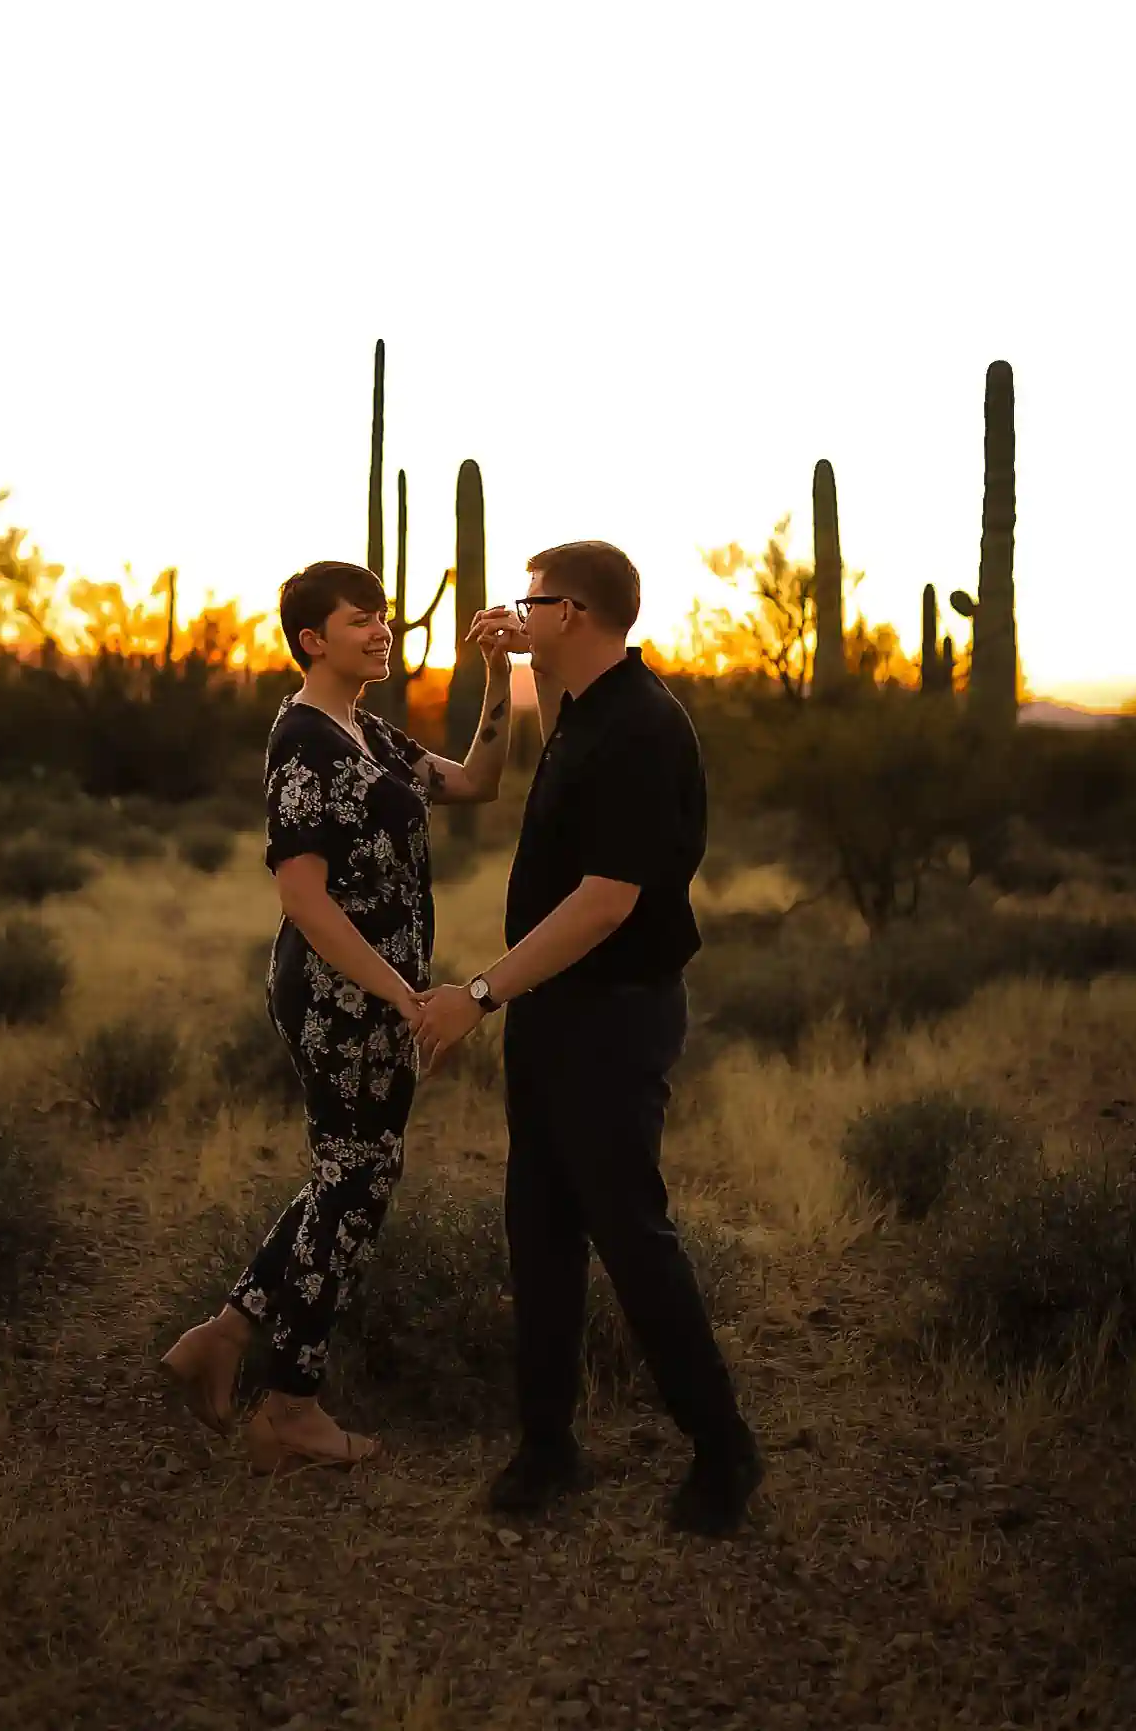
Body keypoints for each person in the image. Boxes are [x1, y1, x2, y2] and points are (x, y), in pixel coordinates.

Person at [417, 541, 764, 1536]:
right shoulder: (583, 711)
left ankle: (723, 1446)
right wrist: (497, 667)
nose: (516, 614)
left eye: (530, 602)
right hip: (555, 1012)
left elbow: (607, 903)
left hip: (614, 1013)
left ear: (570, 611)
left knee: (630, 1231)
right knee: (540, 1223)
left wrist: (478, 992)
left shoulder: (643, 729)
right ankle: (547, 1443)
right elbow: (497, 775)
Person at [161, 559, 514, 1470]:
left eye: (385, 617)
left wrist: (501, 678)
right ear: (314, 639)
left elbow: (477, 783)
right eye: (363, 620)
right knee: (358, 1179)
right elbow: (303, 898)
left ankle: (226, 1338)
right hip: (337, 996)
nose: (382, 631)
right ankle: (291, 1403)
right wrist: (402, 995)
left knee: (348, 1176)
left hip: (376, 996)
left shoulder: (366, 733)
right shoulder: (306, 742)